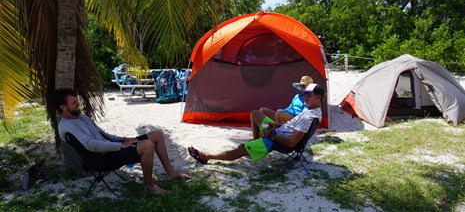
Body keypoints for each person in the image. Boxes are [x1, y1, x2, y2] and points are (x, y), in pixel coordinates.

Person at [52, 88, 190, 194]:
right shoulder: (66, 126)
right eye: (74, 103)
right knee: (147, 145)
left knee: (157, 135)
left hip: (110, 149)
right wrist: (120, 146)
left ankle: (170, 173)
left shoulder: (81, 117)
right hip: (101, 159)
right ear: (63, 107)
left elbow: (103, 135)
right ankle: (150, 186)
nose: (78, 105)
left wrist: (124, 139)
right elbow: (91, 145)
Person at [187, 83, 324, 164]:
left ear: (318, 97)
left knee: (241, 148)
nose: (304, 97)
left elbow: (291, 143)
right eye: (304, 93)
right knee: (256, 113)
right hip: (278, 131)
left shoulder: (308, 116)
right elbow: (291, 127)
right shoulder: (310, 109)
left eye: (308, 95)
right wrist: (276, 126)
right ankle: (255, 141)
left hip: (275, 140)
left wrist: (270, 135)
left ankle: (206, 157)